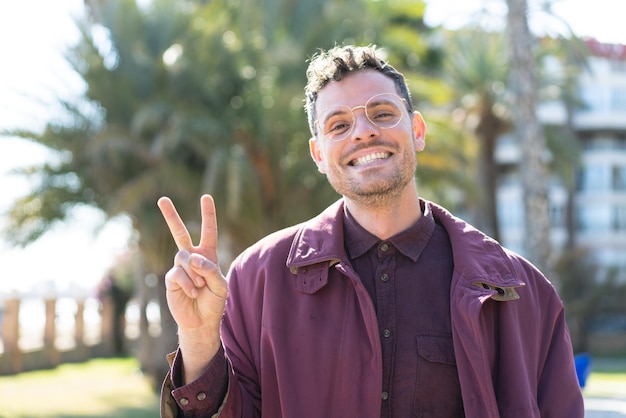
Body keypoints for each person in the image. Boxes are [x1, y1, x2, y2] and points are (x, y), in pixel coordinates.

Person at [157, 45, 584, 417]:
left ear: (416, 131)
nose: (364, 131)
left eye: (382, 113)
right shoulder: (256, 281)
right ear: (318, 154)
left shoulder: (524, 293)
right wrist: (196, 337)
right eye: (338, 125)